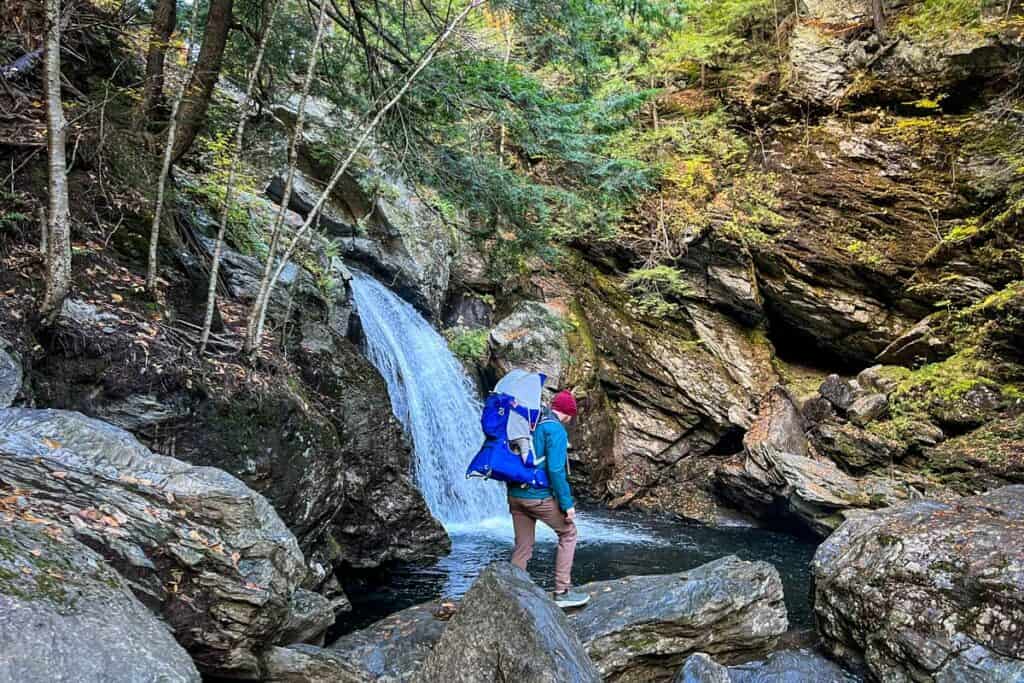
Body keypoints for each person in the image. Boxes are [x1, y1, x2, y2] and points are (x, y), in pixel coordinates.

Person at [507, 389, 590, 608]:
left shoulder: (530, 422)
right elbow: (555, 470)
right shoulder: (555, 429)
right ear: (568, 413)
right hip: (538, 497)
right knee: (568, 533)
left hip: (516, 495)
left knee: (523, 546)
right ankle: (562, 591)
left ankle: (512, 595)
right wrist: (567, 504)